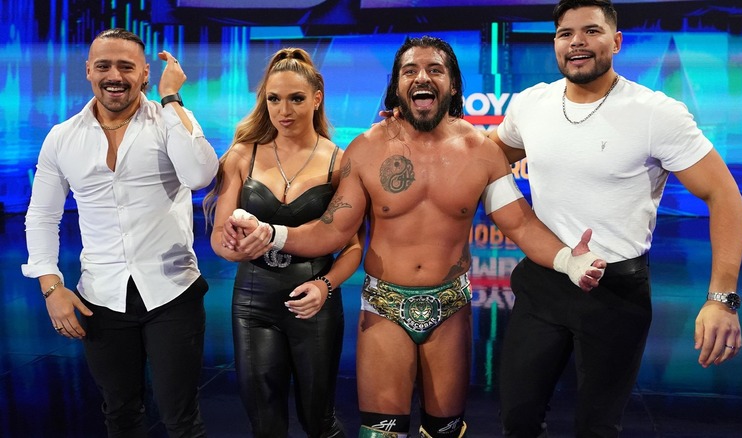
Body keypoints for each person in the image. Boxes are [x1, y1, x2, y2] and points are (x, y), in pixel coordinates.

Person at [221, 36, 605, 438]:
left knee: (444, 431)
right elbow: (332, 230)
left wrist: (569, 261)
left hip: (450, 306)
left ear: (453, 84)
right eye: (410, 71)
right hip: (385, 306)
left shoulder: (481, 152)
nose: (422, 77)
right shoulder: (367, 149)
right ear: (397, 85)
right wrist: (272, 233)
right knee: (381, 433)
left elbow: (521, 224)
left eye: (434, 70)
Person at [486, 1, 742, 436]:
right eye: (565, 34)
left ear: (617, 41)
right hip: (544, 280)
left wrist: (722, 299)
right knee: (517, 419)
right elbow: (485, 158)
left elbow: (724, 196)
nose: (577, 42)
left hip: (616, 292)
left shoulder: (655, 113)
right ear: (555, 43)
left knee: (598, 427)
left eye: (591, 31)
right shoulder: (531, 104)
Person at [21, 28, 218, 437]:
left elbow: (200, 174)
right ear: (88, 71)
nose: (115, 75)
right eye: (105, 65)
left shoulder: (169, 120)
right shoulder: (62, 137)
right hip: (101, 298)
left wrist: (171, 98)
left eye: (126, 67)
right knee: (120, 414)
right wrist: (51, 286)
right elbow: (42, 214)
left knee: (182, 419)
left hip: (173, 292)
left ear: (145, 74)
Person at [203, 48, 362, 438]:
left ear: (317, 99)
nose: (283, 110)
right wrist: (237, 247)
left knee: (318, 421)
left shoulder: (340, 162)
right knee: (265, 422)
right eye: (273, 99)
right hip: (253, 302)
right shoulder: (242, 155)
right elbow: (219, 239)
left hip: (315, 303)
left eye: (296, 99)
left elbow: (353, 247)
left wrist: (324, 287)